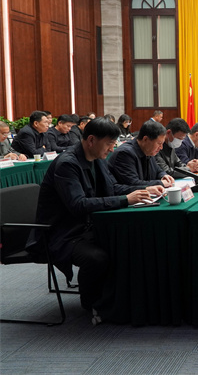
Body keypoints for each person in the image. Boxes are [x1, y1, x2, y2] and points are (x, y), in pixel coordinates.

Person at [31, 118, 155, 312]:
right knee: (98, 258)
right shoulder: (67, 164)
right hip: (63, 233)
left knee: (129, 242)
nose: (112, 149)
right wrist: (125, 200)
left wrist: (143, 189)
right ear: (91, 140)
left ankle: (122, 299)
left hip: (89, 226)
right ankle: (93, 305)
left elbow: (112, 188)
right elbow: (78, 205)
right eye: (109, 144)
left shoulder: (97, 159)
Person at [108, 120, 174, 187]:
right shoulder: (125, 154)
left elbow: (157, 170)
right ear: (145, 139)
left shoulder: (149, 151)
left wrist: (163, 175)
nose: (161, 148)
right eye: (159, 143)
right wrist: (160, 183)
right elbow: (132, 184)